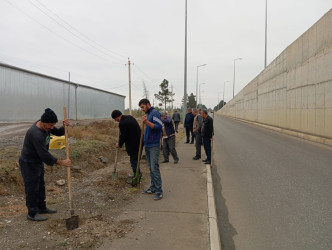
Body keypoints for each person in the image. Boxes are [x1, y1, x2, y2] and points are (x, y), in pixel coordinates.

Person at [19, 108, 71, 221]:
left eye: (53, 125)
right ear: (43, 123)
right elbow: (45, 155)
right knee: (32, 188)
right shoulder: (35, 134)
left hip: (37, 161)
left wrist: (64, 127)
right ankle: (32, 213)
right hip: (29, 163)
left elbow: (58, 132)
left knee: (40, 185)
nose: (52, 128)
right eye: (50, 125)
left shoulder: (45, 126)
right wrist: (62, 162)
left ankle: (41, 207)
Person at [139, 99, 163, 200]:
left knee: (154, 168)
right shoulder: (148, 114)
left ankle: (159, 191)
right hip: (148, 145)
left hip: (154, 145)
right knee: (150, 167)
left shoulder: (154, 113)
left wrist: (147, 122)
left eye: (143, 107)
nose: (142, 109)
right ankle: (153, 187)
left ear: (148, 105)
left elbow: (159, 127)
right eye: (141, 108)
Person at [111, 110, 141, 182]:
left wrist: (119, 144)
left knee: (133, 160)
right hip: (139, 141)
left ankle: (136, 176)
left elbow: (123, 136)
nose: (115, 121)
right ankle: (137, 173)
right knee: (135, 159)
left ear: (118, 117)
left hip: (133, 143)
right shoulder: (129, 117)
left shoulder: (123, 123)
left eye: (115, 119)